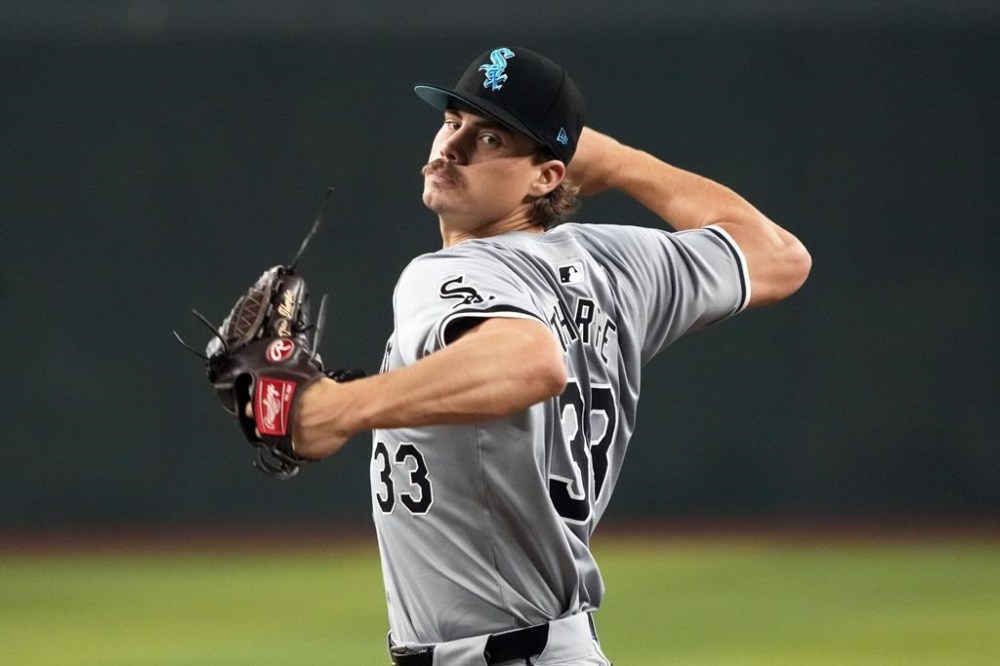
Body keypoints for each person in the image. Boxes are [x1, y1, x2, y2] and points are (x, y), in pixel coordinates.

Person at [291, 46, 811, 665]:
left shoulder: (445, 273)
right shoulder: (616, 265)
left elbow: (530, 361)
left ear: (548, 176)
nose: (452, 147)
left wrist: (340, 407)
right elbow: (778, 256)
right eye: (454, 120)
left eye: (491, 139)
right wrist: (619, 163)